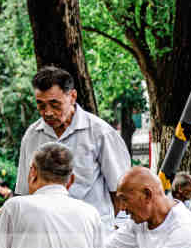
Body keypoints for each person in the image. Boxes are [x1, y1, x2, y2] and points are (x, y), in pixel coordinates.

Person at [16, 66, 131, 226]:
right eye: (41, 105)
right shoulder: (32, 136)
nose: (47, 112)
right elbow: (23, 192)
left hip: (92, 230)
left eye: (54, 104)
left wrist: (110, 229)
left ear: (73, 96)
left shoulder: (100, 132)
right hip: (47, 230)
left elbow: (120, 191)